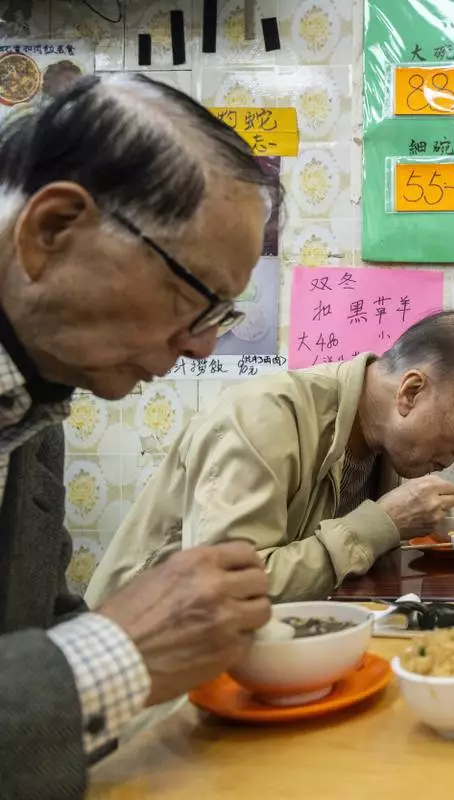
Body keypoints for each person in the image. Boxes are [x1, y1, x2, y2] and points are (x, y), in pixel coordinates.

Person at [0, 74, 280, 798]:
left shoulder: (34, 400)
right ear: (52, 228)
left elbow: (35, 629)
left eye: (221, 315)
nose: (202, 349)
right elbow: (77, 653)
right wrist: (118, 651)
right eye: (197, 296)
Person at [87, 310, 454, 605]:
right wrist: (381, 524)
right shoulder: (264, 416)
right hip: (142, 674)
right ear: (411, 392)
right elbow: (225, 591)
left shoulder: (381, 439)